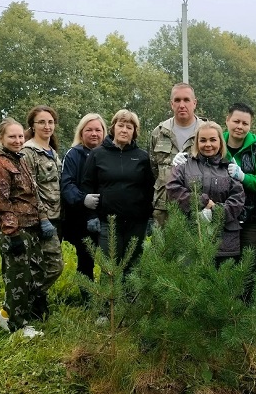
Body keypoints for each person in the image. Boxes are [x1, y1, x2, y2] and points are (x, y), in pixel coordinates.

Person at [0, 118, 43, 339]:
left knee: (30, 276)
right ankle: (17, 327)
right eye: (12, 136)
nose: (18, 140)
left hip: (30, 227)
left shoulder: (19, 159)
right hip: (16, 231)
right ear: (1, 138)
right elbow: (1, 203)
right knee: (18, 279)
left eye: (20, 136)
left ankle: (7, 314)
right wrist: (12, 233)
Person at [81, 109, 153, 272]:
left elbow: (149, 189)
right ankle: (110, 299)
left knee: (132, 269)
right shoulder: (97, 154)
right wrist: (91, 216)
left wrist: (149, 218)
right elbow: (87, 186)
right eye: (121, 125)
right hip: (108, 221)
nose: (124, 130)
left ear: (134, 132)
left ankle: (130, 298)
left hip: (136, 223)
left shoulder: (142, 157)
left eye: (129, 127)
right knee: (110, 269)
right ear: (113, 128)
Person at [166, 121, 246, 263]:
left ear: (220, 142)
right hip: (191, 236)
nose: (208, 144)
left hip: (224, 241)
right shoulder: (184, 165)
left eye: (212, 140)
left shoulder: (229, 167)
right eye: (203, 140)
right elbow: (173, 188)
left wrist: (215, 211)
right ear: (197, 143)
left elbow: (238, 199)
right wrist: (202, 202)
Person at [21, 105, 63, 319]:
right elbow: (30, 189)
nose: (47, 126)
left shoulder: (51, 151)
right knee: (53, 265)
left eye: (50, 122)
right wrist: (43, 218)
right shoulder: (28, 152)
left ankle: (36, 303)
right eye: (42, 122)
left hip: (56, 217)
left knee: (45, 265)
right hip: (40, 220)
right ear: (33, 125)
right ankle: (23, 304)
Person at [61, 113, 107, 299]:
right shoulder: (73, 155)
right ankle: (88, 298)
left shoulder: (110, 154)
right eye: (89, 130)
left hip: (106, 217)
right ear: (81, 132)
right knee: (86, 259)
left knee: (109, 260)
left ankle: (108, 297)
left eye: (98, 129)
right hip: (81, 218)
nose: (94, 133)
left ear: (104, 132)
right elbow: (67, 184)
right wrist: (82, 199)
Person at [149, 83, 205, 226]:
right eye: (177, 100)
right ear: (171, 104)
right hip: (165, 208)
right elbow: (154, 168)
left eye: (186, 100)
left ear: (194, 103)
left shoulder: (207, 131)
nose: (182, 105)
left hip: (198, 206)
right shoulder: (159, 132)